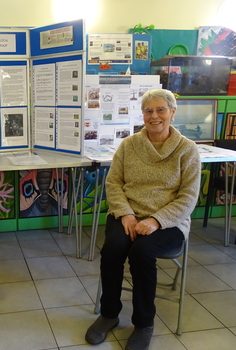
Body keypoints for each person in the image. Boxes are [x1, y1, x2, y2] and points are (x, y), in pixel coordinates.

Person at [85, 89, 200, 350]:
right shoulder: (129, 145)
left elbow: (189, 197)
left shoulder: (187, 149)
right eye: (149, 110)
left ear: (172, 112)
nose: (154, 116)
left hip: (169, 221)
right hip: (128, 213)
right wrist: (126, 213)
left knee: (141, 253)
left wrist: (157, 221)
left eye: (161, 109)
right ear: (143, 114)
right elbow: (113, 183)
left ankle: (143, 323)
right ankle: (109, 314)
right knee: (113, 249)